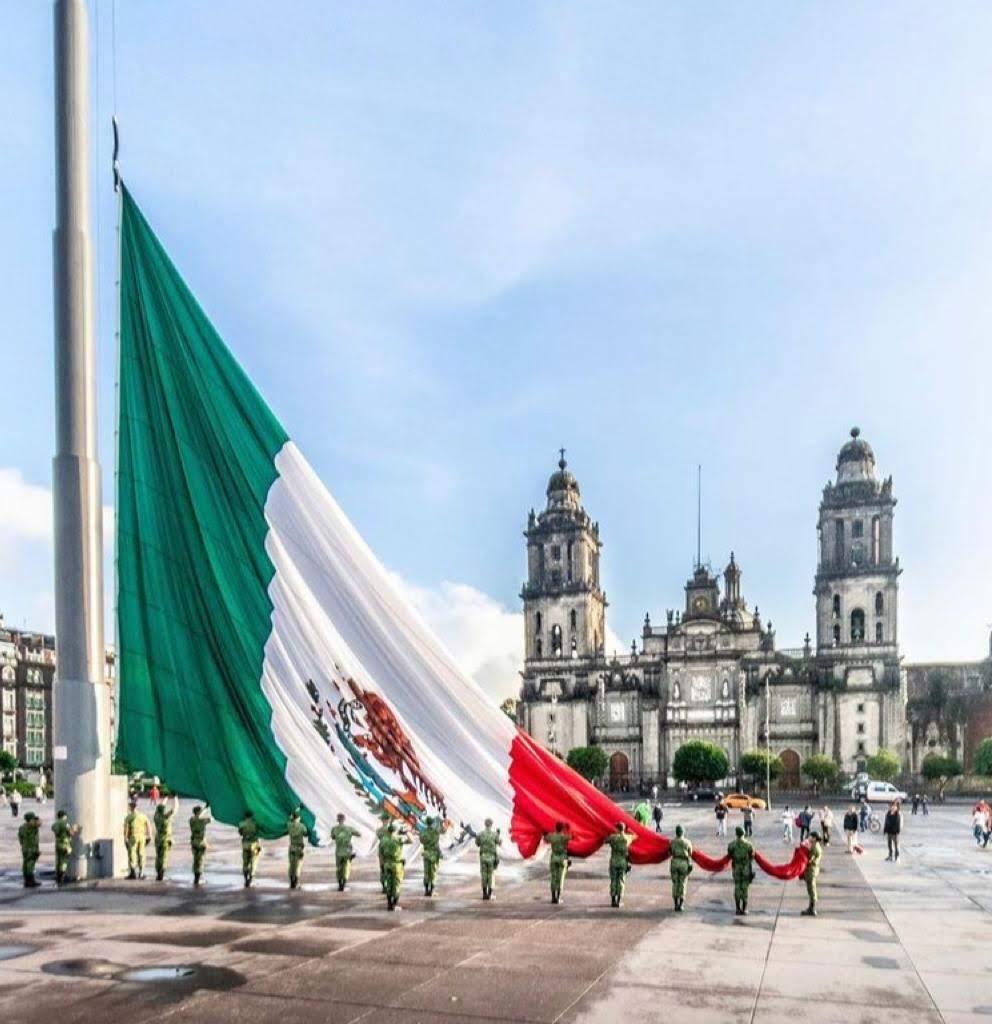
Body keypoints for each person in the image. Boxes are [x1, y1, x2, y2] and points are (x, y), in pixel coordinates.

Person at [379, 822, 409, 911]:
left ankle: (389, 903)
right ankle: (394, 904)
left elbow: (380, 855)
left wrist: (382, 866)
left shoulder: (383, 840)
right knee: (396, 885)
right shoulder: (398, 839)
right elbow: (411, 840)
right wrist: (405, 832)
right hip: (397, 865)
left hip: (387, 864)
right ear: (395, 830)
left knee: (389, 884)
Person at [728, 825, 755, 916]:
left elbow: (730, 855)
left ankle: (737, 908)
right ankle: (744, 908)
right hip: (746, 868)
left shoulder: (732, 845)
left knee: (737, 887)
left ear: (736, 834)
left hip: (736, 867)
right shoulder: (749, 845)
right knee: (745, 888)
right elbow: (752, 857)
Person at [330, 813, 361, 892]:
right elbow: (359, 834)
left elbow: (333, 837)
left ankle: (340, 882)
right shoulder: (349, 828)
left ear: (337, 820)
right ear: (344, 819)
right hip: (347, 851)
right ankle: (344, 882)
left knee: (339, 868)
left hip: (339, 851)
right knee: (346, 867)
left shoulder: (334, 829)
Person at [606, 821, 635, 908]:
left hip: (614, 861)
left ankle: (613, 900)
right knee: (621, 881)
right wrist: (629, 830)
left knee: (613, 880)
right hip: (623, 862)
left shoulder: (613, 837)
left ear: (617, 829)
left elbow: (605, 840)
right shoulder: (627, 838)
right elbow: (636, 835)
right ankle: (619, 901)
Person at [153, 794, 179, 881]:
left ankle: (158, 873)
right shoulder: (166, 817)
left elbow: (161, 806)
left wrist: (166, 798)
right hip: (165, 839)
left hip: (158, 839)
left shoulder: (156, 817)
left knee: (158, 856)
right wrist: (175, 798)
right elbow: (174, 809)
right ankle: (161, 875)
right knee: (163, 857)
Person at [544, 822, 571, 904]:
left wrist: (545, 832)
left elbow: (545, 838)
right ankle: (558, 897)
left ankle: (553, 897)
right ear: (562, 828)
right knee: (560, 878)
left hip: (553, 858)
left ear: (555, 828)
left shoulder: (552, 836)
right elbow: (573, 836)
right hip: (562, 858)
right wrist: (568, 828)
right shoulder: (565, 837)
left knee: (553, 878)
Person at [124, 798, 151, 880]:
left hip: (133, 837)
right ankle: (141, 873)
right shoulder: (143, 816)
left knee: (132, 854)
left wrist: (125, 838)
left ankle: (132, 873)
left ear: (131, 807)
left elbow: (126, 829)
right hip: (142, 837)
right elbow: (148, 825)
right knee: (141, 854)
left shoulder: (129, 817)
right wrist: (149, 835)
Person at [475, 818, 502, 900]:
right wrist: (498, 834)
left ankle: (484, 894)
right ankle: (489, 894)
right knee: (491, 875)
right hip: (492, 857)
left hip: (483, 857)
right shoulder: (494, 835)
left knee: (483, 875)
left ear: (485, 824)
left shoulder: (480, 834)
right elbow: (499, 843)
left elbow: (477, 844)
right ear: (491, 824)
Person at [52, 809, 79, 886]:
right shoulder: (65, 823)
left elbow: (54, 829)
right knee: (64, 862)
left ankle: (58, 877)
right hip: (65, 845)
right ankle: (61, 878)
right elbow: (70, 833)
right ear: (64, 816)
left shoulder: (55, 824)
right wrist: (74, 830)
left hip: (58, 844)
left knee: (59, 861)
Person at [669, 824, 693, 912]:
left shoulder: (672, 842)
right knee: (682, 883)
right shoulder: (687, 842)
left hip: (674, 862)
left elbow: (670, 852)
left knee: (675, 883)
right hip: (683, 863)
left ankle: (675, 904)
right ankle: (681, 904)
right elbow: (691, 853)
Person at [287, 808, 309, 889]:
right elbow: (306, 834)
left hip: (292, 847)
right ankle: (295, 880)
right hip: (299, 848)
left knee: (291, 865)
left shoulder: (289, 825)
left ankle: (291, 880)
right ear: (299, 818)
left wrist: (297, 809)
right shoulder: (302, 826)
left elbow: (289, 818)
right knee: (298, 865)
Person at [18, 811, 42, 888]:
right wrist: (38, 819)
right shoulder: (32, 826)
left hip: (25, 848)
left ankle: (27, 880)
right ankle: (30, 881)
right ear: (30, 819)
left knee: (26, 864)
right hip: (31, 848)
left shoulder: (22, 827)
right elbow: (39, 824)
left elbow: (20, 838)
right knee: (30, 865)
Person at [238, 810, 261, 888]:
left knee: (245, 862)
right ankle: (250, 880)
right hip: (254, 844)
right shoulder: (255, 823)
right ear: (252, 816)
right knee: (253, 862)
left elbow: (240, 833)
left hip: (245, 844)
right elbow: (260, 831)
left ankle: (245, 879)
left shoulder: (241, 823)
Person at [420, 816, 443, 896]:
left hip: (426, 854)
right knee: (433, 873)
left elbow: (422, 841)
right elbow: (442, 831)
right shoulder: (436, 832)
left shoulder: (423, 833)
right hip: (434, 854)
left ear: (426, 823)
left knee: (426, 873)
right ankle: (432, 890)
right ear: (432, 823)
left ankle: (426, 891)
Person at [801, 832, 823, 916]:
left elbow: (809, 859)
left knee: (812, 889)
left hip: (811, 870)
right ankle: (810, 907)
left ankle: (812, 908)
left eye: (810, 836)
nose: (809, 837)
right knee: (810, 888)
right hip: (812, 870)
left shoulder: (815, 847)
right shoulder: (815, 846)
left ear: (814, 838)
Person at [189, 804, 211, 886]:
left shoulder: (191, 820)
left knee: (195, 860)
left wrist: (205, 808)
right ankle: (197, 879)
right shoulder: (203, 821)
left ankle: (196, 877)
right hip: (201, 843)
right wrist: (207, 809)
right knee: (200, 860)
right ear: (199, 812)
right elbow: (212, 819)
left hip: (194, 842)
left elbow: (198, 816)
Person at [375, 811, 392, 894]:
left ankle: (384, 886)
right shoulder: (392, 829)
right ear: (389, 820)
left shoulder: (379, 830)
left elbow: (379, 837)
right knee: (390, 869)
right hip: (391, 851)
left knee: (382, 869)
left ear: (382, 820)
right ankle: (390, 885)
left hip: (382, 850)